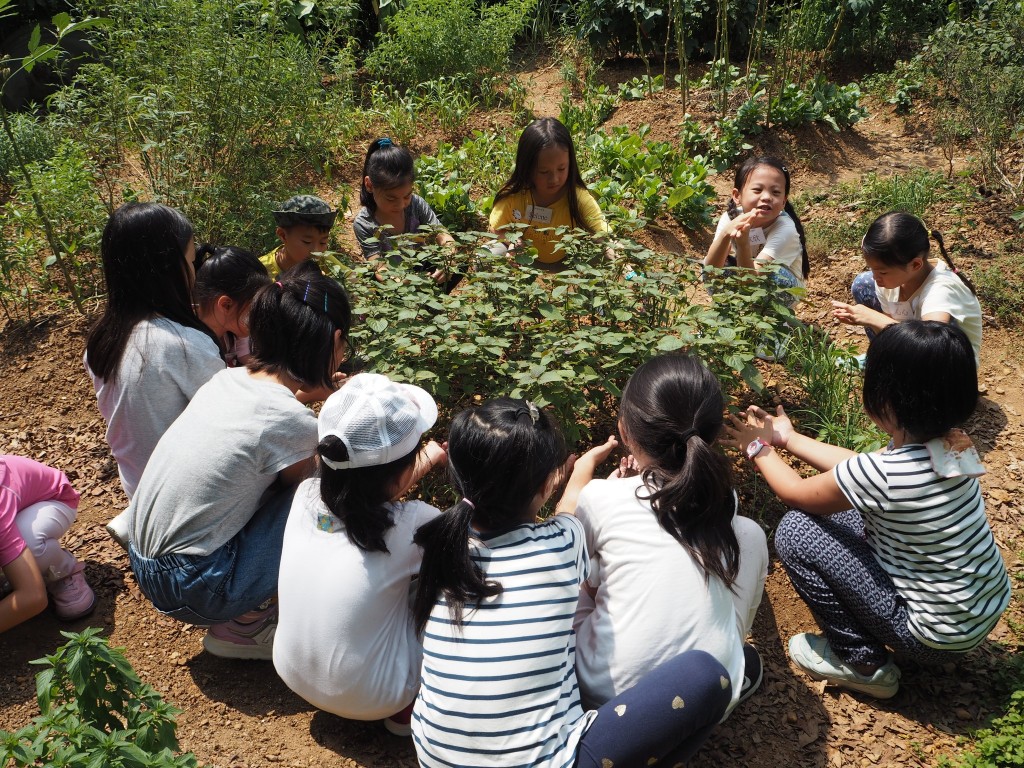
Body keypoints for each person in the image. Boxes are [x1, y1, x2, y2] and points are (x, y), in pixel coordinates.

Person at [411, 398, 732, 767]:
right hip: (551, 762)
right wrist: (584, 470)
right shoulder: (561, 544)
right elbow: (567, 511)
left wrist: (573, 475)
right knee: (707, 676)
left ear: (454, 471)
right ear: (548, 483)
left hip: (435, 758)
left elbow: (562, 512)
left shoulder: (436, 548)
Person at [725, 321, 1010, 699]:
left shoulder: (885, 475)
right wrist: (789, 438)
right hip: (980, 609)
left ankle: (863, 664)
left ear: (885, 401)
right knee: (841, 516)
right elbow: (856, 467)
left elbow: (795, 492)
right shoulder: (953, 443)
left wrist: (758, 448)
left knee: (796, 531)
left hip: (931, 636)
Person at [127, 262, 353, 660]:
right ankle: (248, 623)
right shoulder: (289, 421)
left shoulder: (229, 378)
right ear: (335, 340)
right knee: (325, 490)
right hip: (195, 587)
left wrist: (307, 395)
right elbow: (304, 486)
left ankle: (245, 612)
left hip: (145, 561)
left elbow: (262, 426)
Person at [572, 355, 769, 716]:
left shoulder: (601, 497)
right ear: (711, 435)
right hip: (706, 701)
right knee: (750, 536)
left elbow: (562, 563)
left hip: (600, 700)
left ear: (625, 431)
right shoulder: (725, 499)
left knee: (582, 577)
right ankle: (735, 662)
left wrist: (583, 480)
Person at [274, 373, 448, 736]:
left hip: (292, 673)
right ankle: (410, 709)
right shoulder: (416, 523)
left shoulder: (306, 495)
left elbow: (366, 486)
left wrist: (425, 461)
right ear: (400, 471)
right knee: (446, 589)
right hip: (378, 697)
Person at [85, 203, 224, 548]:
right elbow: (238, 421)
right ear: (166, 268)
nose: (196, 271)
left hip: (139, 489)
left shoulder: (102, 340)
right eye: (193, 261)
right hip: (187, 505)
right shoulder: (179, 343)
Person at [832, 211, 982, 362]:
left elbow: (934, 348)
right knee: (863, 284)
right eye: (872, 269)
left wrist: (875, 319)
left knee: (940, 330)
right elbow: (888, 331)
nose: (875, 276)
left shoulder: (940, 290)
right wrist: (879, 324)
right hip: (914, 348)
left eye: (882, 272)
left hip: (947, 367)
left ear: (915, 264)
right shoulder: (888, 281)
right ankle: (886, 363)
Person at [489, 117, 609, 266]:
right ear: (527, 168)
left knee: (602, 256)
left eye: (561, 169)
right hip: (525, 258)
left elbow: (605, 237)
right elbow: (495, 227)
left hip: (569, 262)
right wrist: (512, 241)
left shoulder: (578, 198)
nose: (554, 179)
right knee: (486, 257)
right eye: (544, 171)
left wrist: (626, 264)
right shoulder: (514, 195)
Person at [1, 455, 95, 632]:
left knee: (30, 543)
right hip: (12, 514)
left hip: (53, 501)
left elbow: (33, 597)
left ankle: (61, 571)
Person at [353, 138, 456, 290]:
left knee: (460, 263)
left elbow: (445, 237)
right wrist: (405, 282)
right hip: (392, 279)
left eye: (407, 196)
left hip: (420, 269)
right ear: (369, 185)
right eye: (391, 198)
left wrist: (449, 260)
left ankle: (432, 306)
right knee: (369, 277)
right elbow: (380, 268)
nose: (401, 205)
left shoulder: (416, 204)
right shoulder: (364, 223)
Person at [704, 155, 808, 303]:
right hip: (747, 274)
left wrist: (743, 244)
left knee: (773, 274)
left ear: (784, 200)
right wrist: (726, 233)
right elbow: (711, 270)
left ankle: (779, 321)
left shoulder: (785, 228)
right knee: (713, 263)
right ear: (737, 195)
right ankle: (728, 313)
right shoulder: (730, 218)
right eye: (757, 190)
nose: (766, 197)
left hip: (784, 288)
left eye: (776, 192)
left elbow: (752, 281)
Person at [193, 244, 271, 367]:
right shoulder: (195, 347)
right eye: (255, 308)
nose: (260, 316)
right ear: (226, 305)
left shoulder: (233, 330)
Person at [261, 194, 347, 278]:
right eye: (307, 242)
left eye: (322, 242)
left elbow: (353, 280)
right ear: (283, 235)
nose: (316, 251)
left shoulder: (324, 260)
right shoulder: (261, 271)